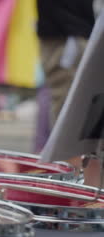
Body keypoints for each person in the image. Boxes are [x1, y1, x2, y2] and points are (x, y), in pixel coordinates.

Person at [36, 0, 97, 185]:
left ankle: (80, 185)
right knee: (72, 118)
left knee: (78, 117)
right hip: (67, 34)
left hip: (72, 32)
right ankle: (74, 185)